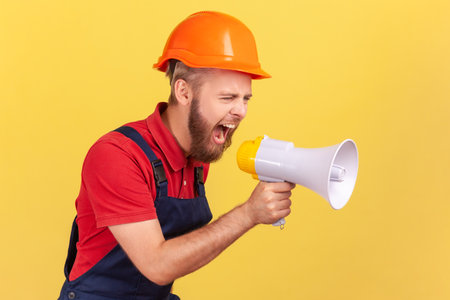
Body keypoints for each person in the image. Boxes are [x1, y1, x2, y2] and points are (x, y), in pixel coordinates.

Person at [58, 11, 295, 300]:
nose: (241, 112)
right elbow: (156, 265)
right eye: (227, 97)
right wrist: (249, 213)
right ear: (183, 91)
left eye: (245, 99)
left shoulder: (198, 157)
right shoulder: (117, 156)